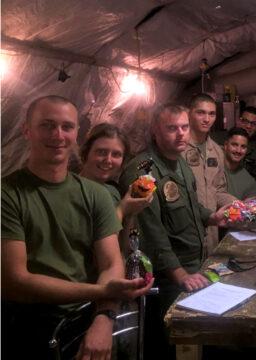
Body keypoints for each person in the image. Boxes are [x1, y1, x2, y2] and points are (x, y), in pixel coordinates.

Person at [2, 95, 152, 359]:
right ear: (27, 130)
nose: (58, 135)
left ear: (76, 134)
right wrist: (102, 292)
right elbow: (15, 281)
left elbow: (110, 263)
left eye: (67, 127)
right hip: (29, 326)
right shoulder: (8, 194)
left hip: (87, 321)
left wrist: (104, 319)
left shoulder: (96, 194)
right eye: (47, 125)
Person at [120, 103, 227, 359]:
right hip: (165, 277)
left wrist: (212, 217)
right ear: (155, 132)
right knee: (167, 343)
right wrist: (178, 273)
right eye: (171, 128)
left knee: (193, 342)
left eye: (184, 127)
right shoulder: (143, 170)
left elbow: (192, 206)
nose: (180, 134)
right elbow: (150, 229)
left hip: (192, 265)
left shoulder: (179, 164)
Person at [185, 94, 236, 257]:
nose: (207, 119)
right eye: (201, 113)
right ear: (189, 113)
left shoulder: (217, 151)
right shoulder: (179, 149)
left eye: (212, 114)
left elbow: (218, 190)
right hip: (186, 231)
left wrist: (238, 204)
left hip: (212, 230)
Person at [80, 123, 153, 224]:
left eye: (116, 154)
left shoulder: (112, 192)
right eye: (101, 152)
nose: (108, 160)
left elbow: (122, 239)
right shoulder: (73, 192)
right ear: (86, 152)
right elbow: (101, 238)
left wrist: (130, 214)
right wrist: (122, 210)